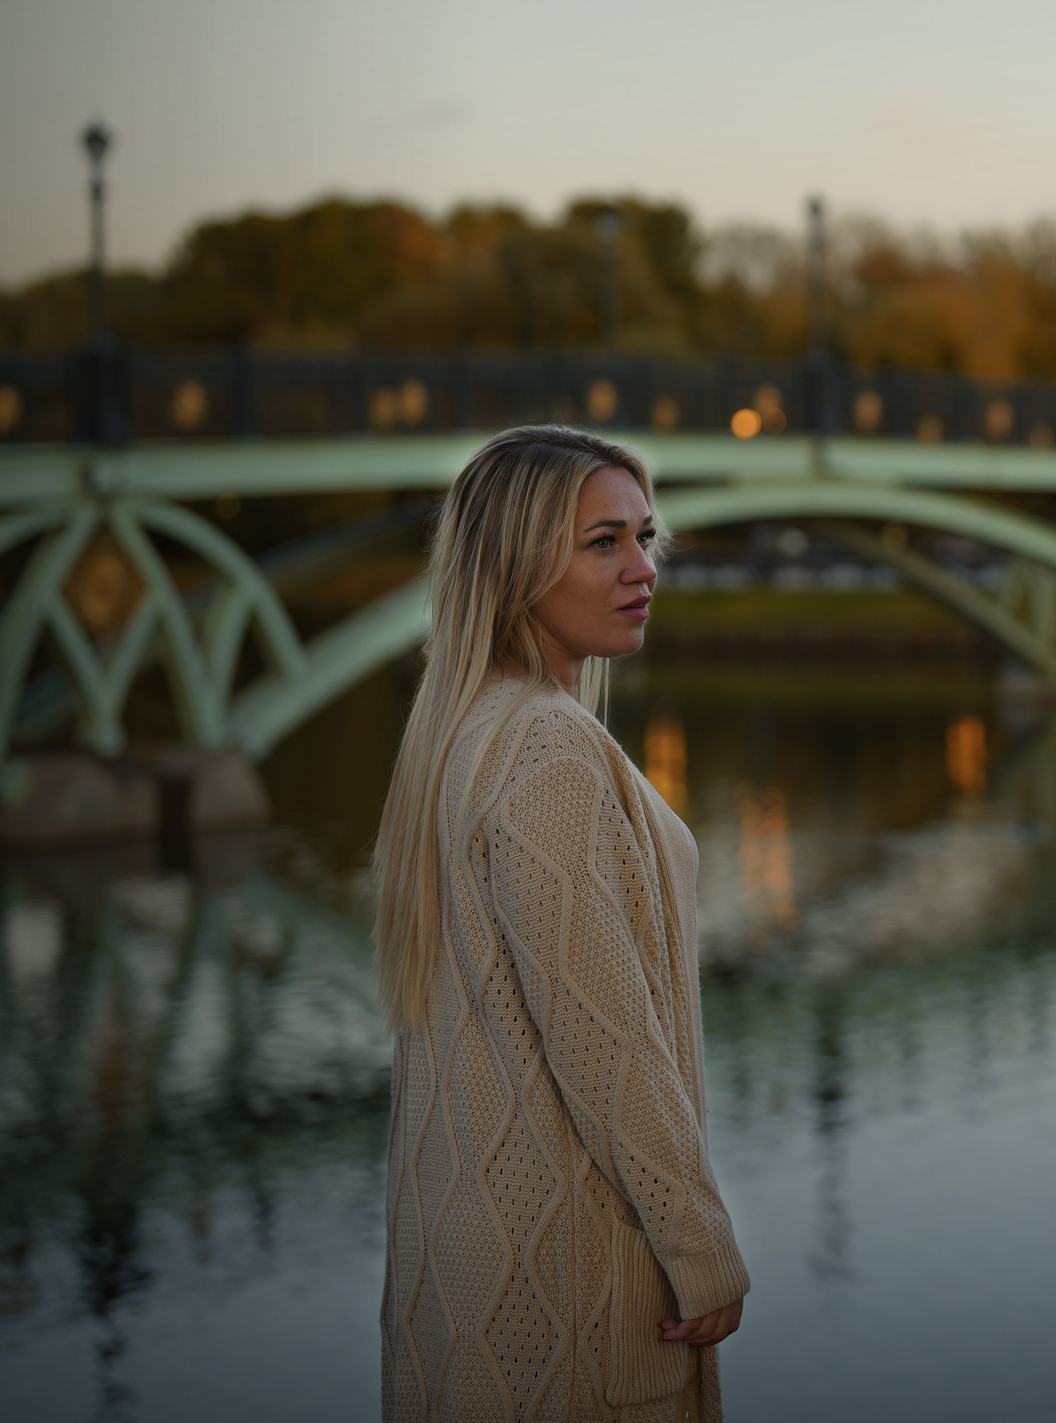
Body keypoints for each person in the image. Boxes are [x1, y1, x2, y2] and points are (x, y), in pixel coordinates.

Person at [373, 425, 747, 1422]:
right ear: (511, 564)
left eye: (644, 537)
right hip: (573, 1274)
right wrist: (701, 1251)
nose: (642, 569)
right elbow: (605, 1040)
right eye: (602, 544)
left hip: (476, 1256)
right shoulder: (545, 747)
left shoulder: (466, 725)